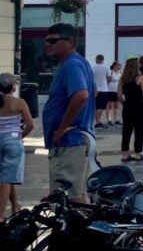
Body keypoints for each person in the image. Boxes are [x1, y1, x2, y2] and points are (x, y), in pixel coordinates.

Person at [42, 23, 95, 200]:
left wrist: (63, 127)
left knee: (68, 198)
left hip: (69, 143)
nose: (47, 44)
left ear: (70, 41)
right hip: (76, 141)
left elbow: (81, 95)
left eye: (53, 40)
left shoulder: (71, 65)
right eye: (46, 41)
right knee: (78, 195)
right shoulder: (79, 63)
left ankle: (74, 229)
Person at [0, 74, 32, 218]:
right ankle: (0, 215)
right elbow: (30, 125)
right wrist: (21, 136)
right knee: (7, 180)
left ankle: (15, 207)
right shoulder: (19, 102)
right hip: (12, 141)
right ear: (13, 87)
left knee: (8, 175)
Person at [118, 57, 143, 162]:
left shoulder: (123, 79)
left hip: (127, 108)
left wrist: (124, 103)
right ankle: (137, 153)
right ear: (137, 66)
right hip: (139, 108)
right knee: (139, 131)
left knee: (126, 131)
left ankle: (125, 154)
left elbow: (119, 95)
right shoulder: (141, 79)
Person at [91, 55, 111, 128]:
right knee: (101, 107)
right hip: (103, 89)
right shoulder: (106, 68)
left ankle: (97, 121)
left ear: (97, 59)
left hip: (95, 90)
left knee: (96, 106)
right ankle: (98, 122)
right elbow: (109, 78)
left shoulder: (93, 68)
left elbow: (90, 78)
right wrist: (105, 83)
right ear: (103, 59)